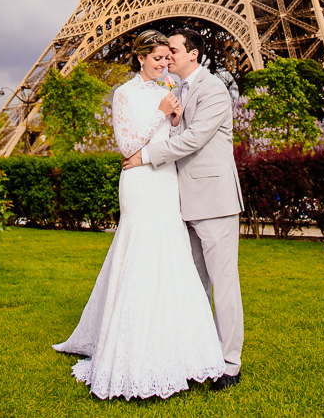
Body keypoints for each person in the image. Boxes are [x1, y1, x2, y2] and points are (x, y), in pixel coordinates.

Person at [51, 29, 225, 400]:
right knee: (142, 257)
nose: (166, 63)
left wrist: (173, 117)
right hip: (140, 183)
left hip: (166, 183)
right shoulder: (125, 93)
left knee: (170, 259)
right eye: (159, 58)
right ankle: (131, 350)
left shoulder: (168, 92)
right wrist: (161, 114)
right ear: (140, 58)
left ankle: (175, 350)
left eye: (168, 57)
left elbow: (172, 139)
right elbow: (127, 146)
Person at [122, 27, 244, 390]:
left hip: (214, 201)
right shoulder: (174, 89)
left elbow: (194, 140)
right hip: (179, 201)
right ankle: (195, 354)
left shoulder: (213, 90)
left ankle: (230, 363)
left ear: (193, 54)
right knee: (190, 286)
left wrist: (144, 156)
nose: (168, 55)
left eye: (173, 49)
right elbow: (176, 133)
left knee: (222, 286)